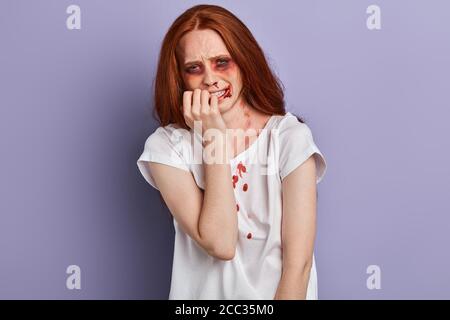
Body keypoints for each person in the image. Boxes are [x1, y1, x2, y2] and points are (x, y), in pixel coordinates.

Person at [137, 4, 327, 300]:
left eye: (221, 62)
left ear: (244, 61)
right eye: (194, 68)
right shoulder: (166, 148)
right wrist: (214, 137)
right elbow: (222, 243)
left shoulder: (289, 138)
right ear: (180, 78)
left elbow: (298, 266)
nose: (210, 79)